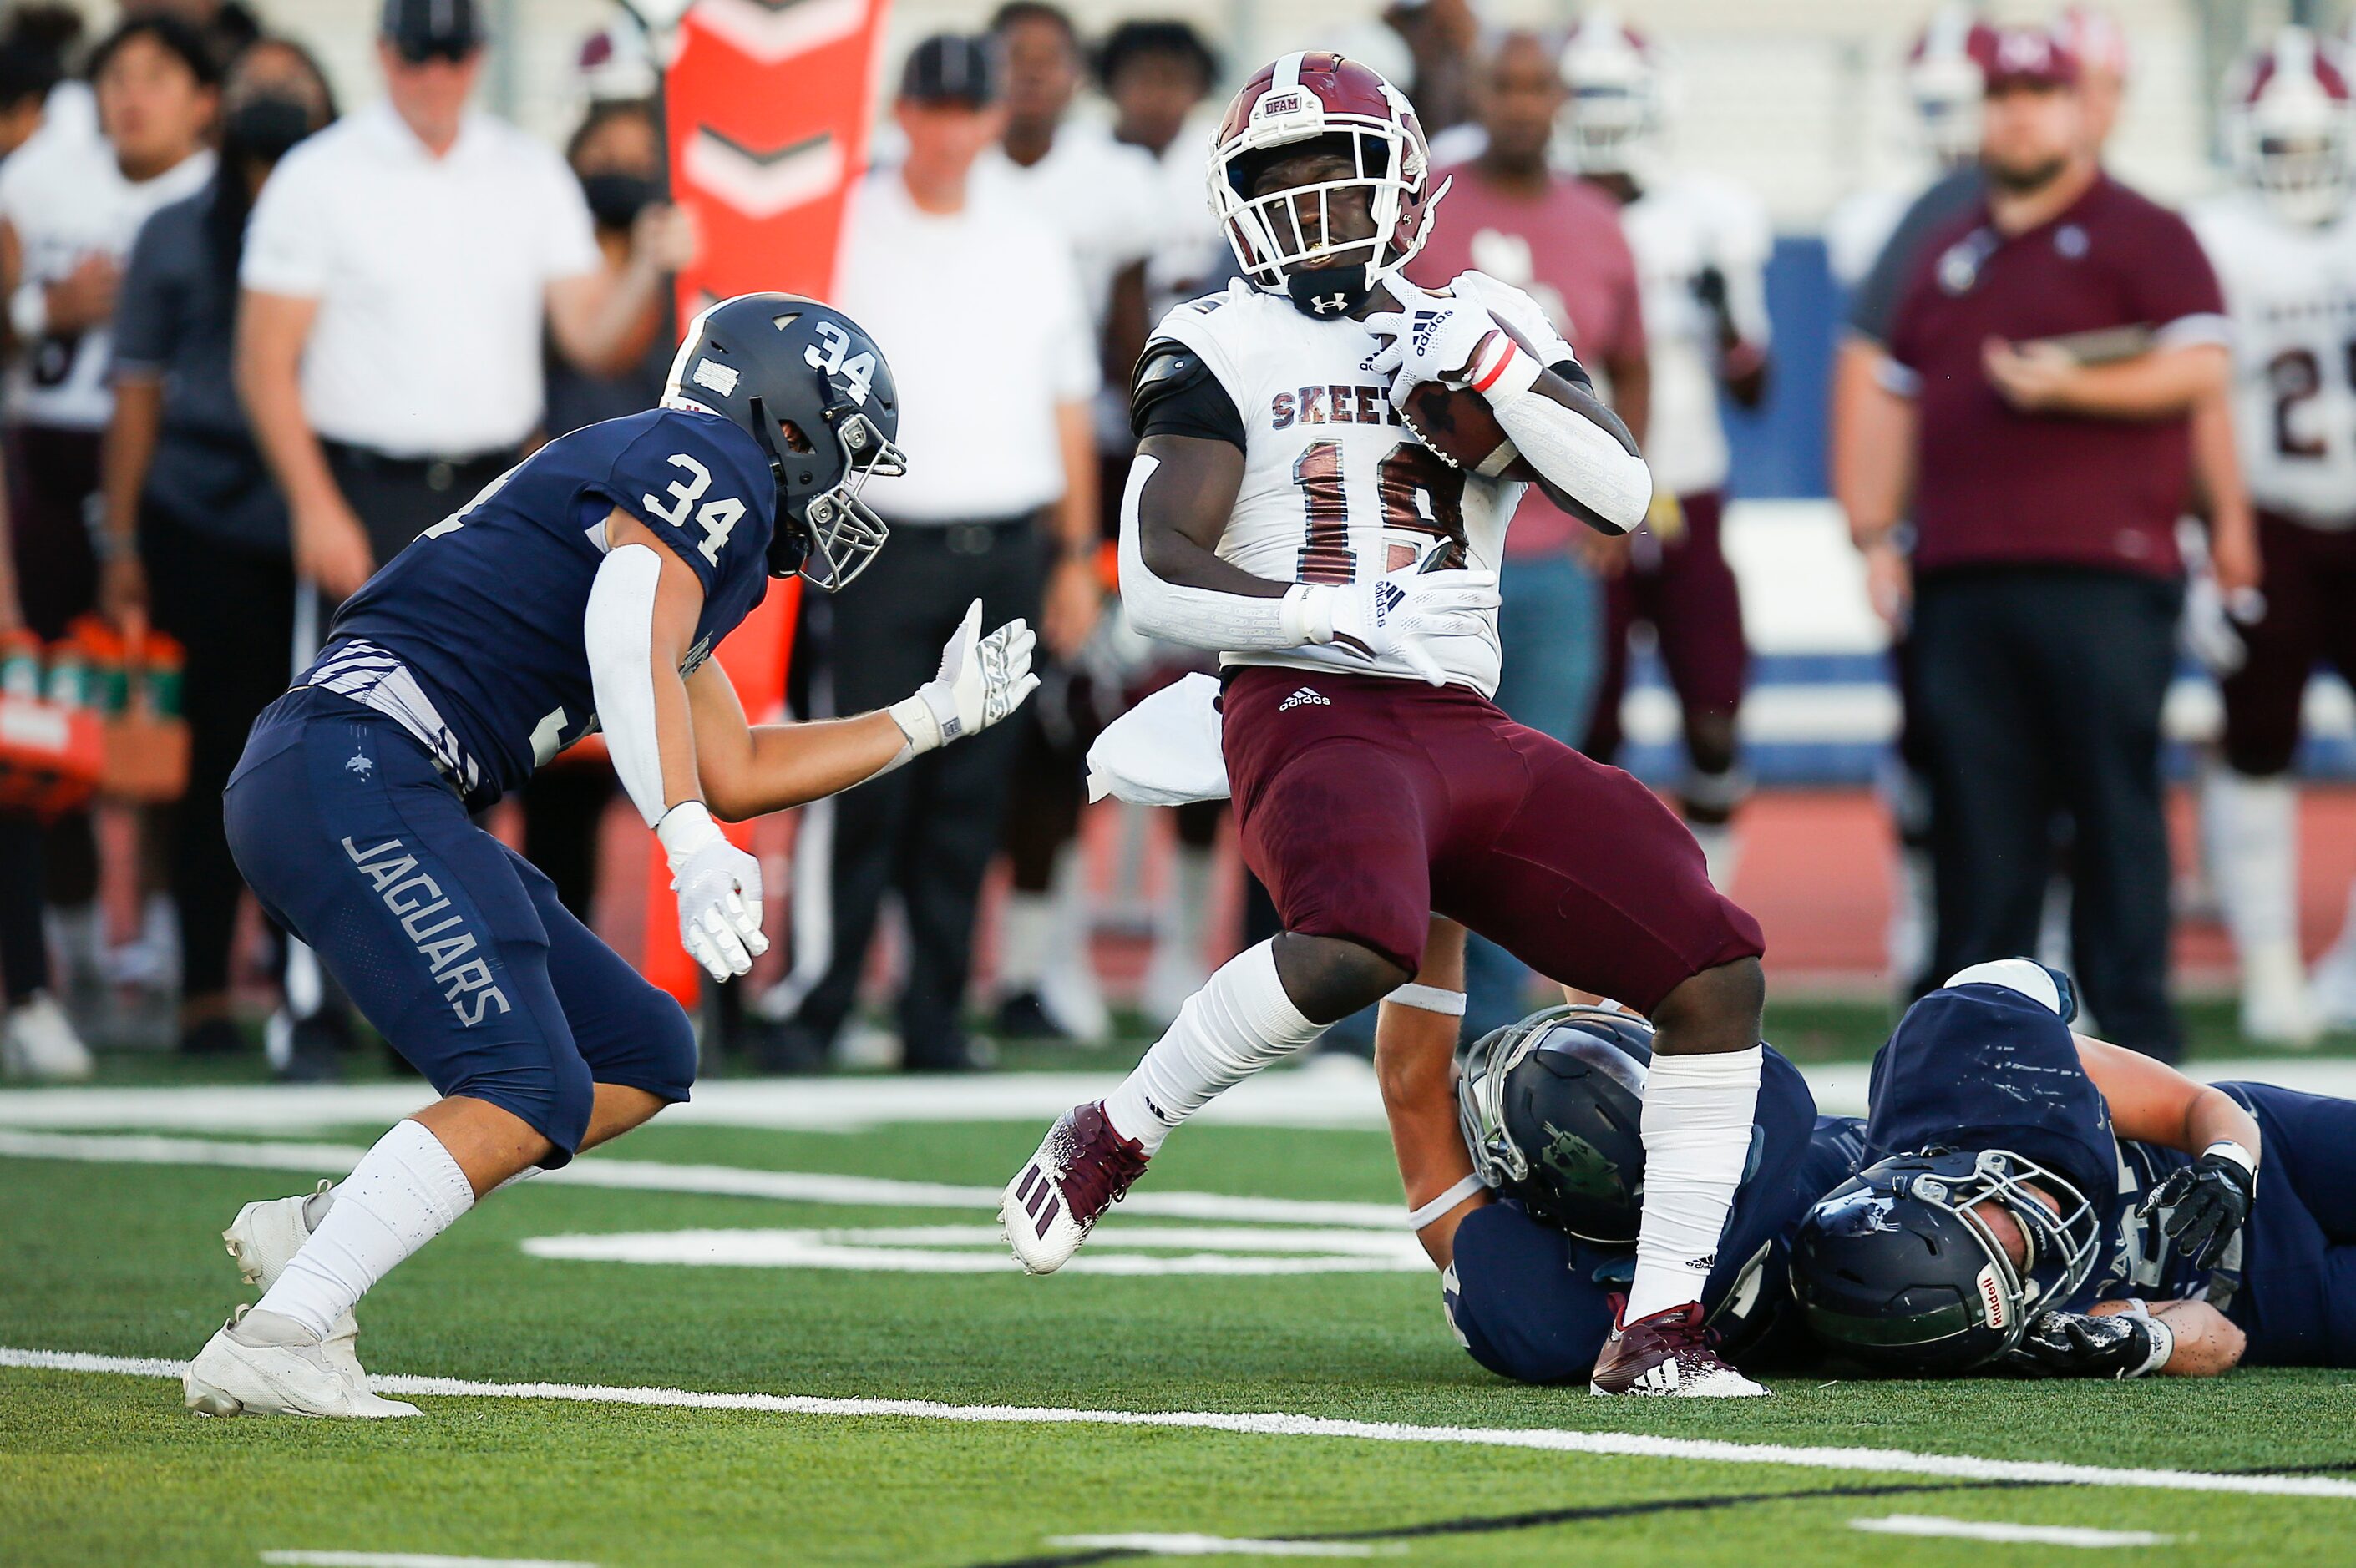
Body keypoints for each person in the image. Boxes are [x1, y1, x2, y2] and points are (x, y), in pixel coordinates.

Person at [1001, 53, 1774, 1400]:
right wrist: (1315, 609)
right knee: (1356, 937)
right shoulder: (1214, 339)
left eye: (1333, 169)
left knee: (1714, 966)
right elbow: (1157, 568)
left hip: (1459, 714)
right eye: (1278, 175)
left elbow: (1621, 489)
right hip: (1305, 697)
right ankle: (1118, 1124)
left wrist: (1498, 374)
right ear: (1236, 199)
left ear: (1406, 185)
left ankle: (1661, 1322)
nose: (1306, 198)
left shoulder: (1478, 311)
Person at [180, 294, 1039, 1419]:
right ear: (787, 424)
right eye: (844, 453)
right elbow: (625, 620)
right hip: (355, 764)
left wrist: (929, 717)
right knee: (525, 1082)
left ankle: (335, 1225)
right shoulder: (705, 463)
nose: (841, 492)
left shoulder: (671, 493)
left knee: (639, 1049)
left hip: (368, 777)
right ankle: (286, 1330)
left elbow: (727, 760)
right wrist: (682, 835)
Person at [237, 0, 675, 1066]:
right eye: (412, 49)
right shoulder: (320, 173)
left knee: (472, 747)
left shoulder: (528, 173)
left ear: (477, 59)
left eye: (450, 51)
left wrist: (655, 258)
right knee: (336, 740)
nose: (431, 72)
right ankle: (309, 1005)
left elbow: (588, 329)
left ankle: (438, 999)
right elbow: (265, 361)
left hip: (492, 493)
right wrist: (313, 501)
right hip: (364, 481)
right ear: (383, 54)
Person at [1850, 27, 2230, 1063]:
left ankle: (2140, 1035)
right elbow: (1891, 391)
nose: (2020, 111)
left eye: (2041, 91)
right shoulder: (1947, 245)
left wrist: (2074, 387)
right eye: (2003, 91)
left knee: (2112, 804)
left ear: (2081, 107)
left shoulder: (2142, 232)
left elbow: (2200, 370)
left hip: (2104, 570)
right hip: (1964, 575)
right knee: (1979, 821)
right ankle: (1973, 1044)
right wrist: (1875, 534)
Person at [762, 36, 1096, 1074]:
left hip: (1002, 543)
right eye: (935, 107)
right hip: (872, 543)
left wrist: (1075, 554)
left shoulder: (1030, 236)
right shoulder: (847, 224)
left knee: (969, 792)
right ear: (903, 111)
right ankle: (817, 1004)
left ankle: (934, 1014)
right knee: (860, 775)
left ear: (996, 117)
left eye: (971, 109)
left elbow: (1067, 401)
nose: (952, 130)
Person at [1407, 28, 1650, 1039]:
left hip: (1552, 560)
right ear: (1475, 88)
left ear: (1560, 97)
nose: (1518, 102)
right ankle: (1371, 1014)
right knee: (1411, 787)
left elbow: (1632, 364)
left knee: (1526, 797)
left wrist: (1625, 498)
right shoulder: (1421, 207)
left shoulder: (1599, 221)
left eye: (1535, 84)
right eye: (1501, 83)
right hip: (1432, 553)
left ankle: (1495, 1016)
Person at [97, 36, 334, 1061]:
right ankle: (203, 986)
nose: (272, 103)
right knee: (208, 770)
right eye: (255, 86)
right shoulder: (171, 231)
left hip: (323, 520)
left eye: (295, 86)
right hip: (199, 520)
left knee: (325, 767)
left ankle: (314, 986)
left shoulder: (353, 224)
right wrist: (121, 538)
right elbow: (136, 396)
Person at [1791, 959, 2340, 1377]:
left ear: (1940, 1179)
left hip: (2275, 1156)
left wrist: (2227, 1163)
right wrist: (2141, 1341)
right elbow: (2222, 1337)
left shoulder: (1981, 1081)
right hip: (2264, 1298)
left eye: (2006, 1205)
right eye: (2028, 1256)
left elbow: (2198, 1105)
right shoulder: (2009, 1326)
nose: (2048, 1216)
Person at [1373, 920, 1861, 1384]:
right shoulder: (1771, 1111)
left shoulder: (1539, 1309)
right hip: (1849, 1184)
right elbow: (1624, 1035)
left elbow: (1411, 1084)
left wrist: (1436, 914)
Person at [0, 13, 218, 996]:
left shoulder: (218, 200)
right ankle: (74, 935)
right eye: (117, 75)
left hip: (172, 473)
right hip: (43, 457)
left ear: (201, 98)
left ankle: (171, 936)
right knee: (47, 709)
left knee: (171, 701)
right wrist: (41, 309)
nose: (133, 94)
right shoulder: (38, 182)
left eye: (157, 75)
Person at [1558, 13, 1770, 893]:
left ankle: (1710, 902)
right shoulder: (1551, 215)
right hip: (1570, 498)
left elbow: (1755, 383)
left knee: (1713, 708)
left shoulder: (1706, 215)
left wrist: (1723, 317)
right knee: (1585, 720)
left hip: (1684, 489)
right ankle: (1580, 904)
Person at [2187, 30, 2356, 1047]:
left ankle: (2342, 970)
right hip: (2269, 520)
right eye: (2277, 146)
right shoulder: (2217, 236)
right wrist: (2201, 535)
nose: (2295, 168)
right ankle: (2267, 969)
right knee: (2257, 748)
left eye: (2311, 145)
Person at [973, 2, 1124, 1044]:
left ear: (1077, 75)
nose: (1031, 77)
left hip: (1083, 475)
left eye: (1047, 61)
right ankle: (894, 967)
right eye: (1011, 61)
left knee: (1060, 726)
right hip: (947, 483)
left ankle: (1038, 961)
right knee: (920, 735)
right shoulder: (940, 174)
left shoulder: (1119, 189)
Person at [528, 95, 701, 921]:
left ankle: (713, 987)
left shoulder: (696, 278)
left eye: (638, 153)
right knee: (556, 775)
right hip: (561, 529)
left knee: (681, 754)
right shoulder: (547, 265)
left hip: (670, 532)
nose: (618, 169)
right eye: (602, 152)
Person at [1097, 18, 1231, 1025]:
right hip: (1101, 454)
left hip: (1202, 457)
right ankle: (1059, 946)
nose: (1157, 95)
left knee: (1202, 696)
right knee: (1073, 711)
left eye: (1173, 78)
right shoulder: (1078, 174)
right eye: (1140, 77)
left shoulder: (1218, 172)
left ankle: (1183, 943)